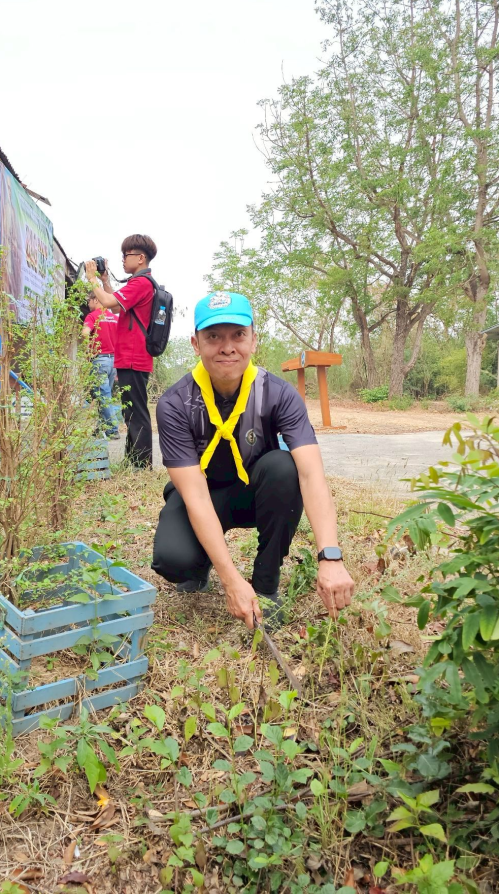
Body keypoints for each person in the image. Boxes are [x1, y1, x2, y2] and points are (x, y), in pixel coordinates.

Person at [151, 291, 356, 630]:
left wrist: (330, 555)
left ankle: (265, 585)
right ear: (195, 344)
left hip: (256, 493)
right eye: (213, 337)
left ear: (253, 340)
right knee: (173, 559)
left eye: (238, 335)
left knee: (284, 467)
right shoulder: (175, 404)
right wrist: (230, 579)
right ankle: (200, 565)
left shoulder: (278, 394)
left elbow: (311, 475)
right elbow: (196, 496)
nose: (227, 347)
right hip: (202, 498)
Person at [84, 234, 158, 469]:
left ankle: (141, 464)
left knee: (136, 411)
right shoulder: (139, 283)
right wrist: (105, 281)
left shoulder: (141, 283)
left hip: (134, 356)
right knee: (130, 411)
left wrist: (92, 279)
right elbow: (116, 306)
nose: (123, 260)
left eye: (126, 255)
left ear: (140, 257)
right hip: (130, 356)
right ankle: (134, 460)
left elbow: (106, 303)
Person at [83, 292, 121, 438]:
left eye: (89, 300)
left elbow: (85, 333)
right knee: (104, 395)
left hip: (100, 360)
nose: (88, 304)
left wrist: (87, 351)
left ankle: (113, 430)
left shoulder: (92, 316)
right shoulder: (115, 319)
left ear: (96, 300)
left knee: (103, 396)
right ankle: (100, 428)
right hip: (113, 362)